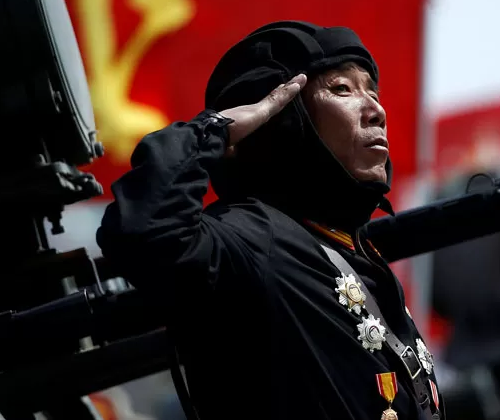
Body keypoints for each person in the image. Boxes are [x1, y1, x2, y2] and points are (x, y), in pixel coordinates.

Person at [96, 21, 444, 420]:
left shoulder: (355, 252)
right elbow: (144, 228)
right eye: (342, 89)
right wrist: (217, 128)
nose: (376, 110)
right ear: (287, 118)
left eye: (372, 91)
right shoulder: (255, 237)